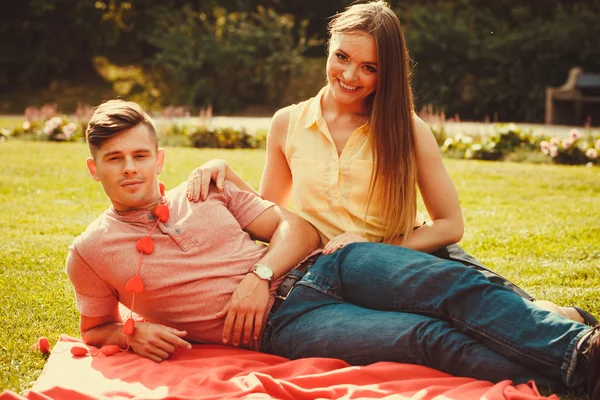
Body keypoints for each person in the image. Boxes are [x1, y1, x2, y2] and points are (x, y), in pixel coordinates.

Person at [67, 99, 599, 397]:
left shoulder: (207, 187)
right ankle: (562, 383)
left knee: (452, 284)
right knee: (426, 337)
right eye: (115, 159)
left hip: (330, 264)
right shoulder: (90, 251)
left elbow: (300, 232)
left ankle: (579, 349)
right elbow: (96, 329)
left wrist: (258, 276)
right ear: (95, 168)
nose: (130, 168)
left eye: (140, 155)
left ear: (160, 159)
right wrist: (131, 330)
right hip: (285, 324)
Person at [186, 0, 596, 326]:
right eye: (342, 57)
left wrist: (375, 246)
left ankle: (569, 320)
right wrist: (226, 170)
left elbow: (450, 225)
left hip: (407, 260)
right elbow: (272, 216)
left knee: (526, 318)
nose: (349, 75)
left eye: (369, 68)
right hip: (328, 276)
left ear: (388, 73)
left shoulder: (407, 129)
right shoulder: (287, 123)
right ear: (328, 47)